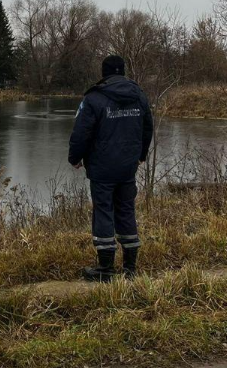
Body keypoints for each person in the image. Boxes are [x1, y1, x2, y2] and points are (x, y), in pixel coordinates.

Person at [68, 55, 154, 282]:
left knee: (104, 211)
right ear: (123, 72)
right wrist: (141, 155)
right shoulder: (139, 95)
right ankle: (130, 267)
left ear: (104, 73)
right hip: (128, 167)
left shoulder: (94, 98)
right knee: (126, 210)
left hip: (102, 168)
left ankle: (105, 269)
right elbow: (148, 127)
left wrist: (75, 158)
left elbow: (81, 132)